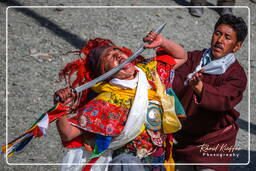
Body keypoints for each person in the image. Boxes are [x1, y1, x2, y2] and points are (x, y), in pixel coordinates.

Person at [54, 31, 188, 170]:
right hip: (130, 163)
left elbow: (181, 57)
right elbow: (68, 133)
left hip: (159, 161)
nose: (118, 55)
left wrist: (163, 42)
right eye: (109, 57)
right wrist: (60, 107)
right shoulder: (105, 102)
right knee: (125, 162)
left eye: (117, 51)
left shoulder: (151, 72)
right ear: (104, 73)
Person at [172, 14, 247, 171]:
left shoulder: (236, 75)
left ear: (237, 46)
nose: (220, 40)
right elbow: (175, 82)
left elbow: (224, 99)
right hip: (183, 135)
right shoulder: (193, 58)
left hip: (214, 141)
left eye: (227, 37)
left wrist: (201, 89)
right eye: (217, 33)